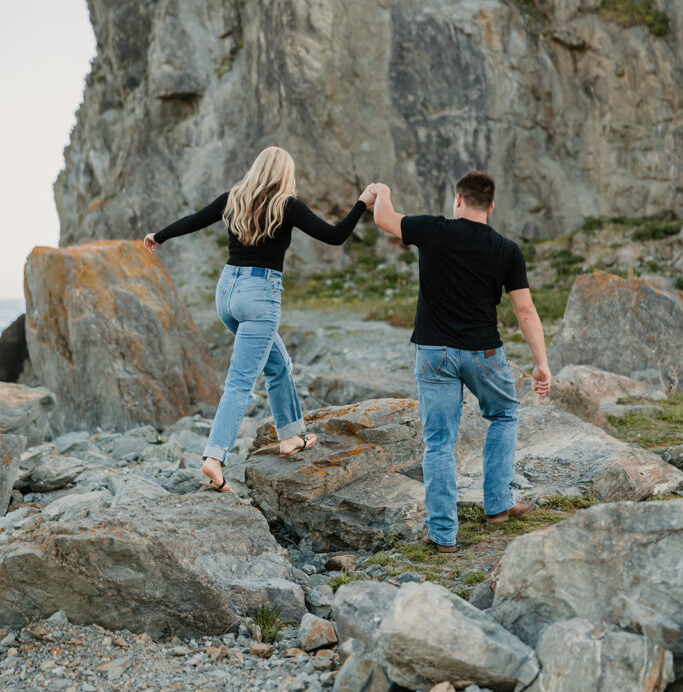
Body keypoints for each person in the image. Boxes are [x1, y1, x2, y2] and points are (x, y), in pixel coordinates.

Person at [144, 146, 376, 493]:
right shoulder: (287, 205)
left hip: (227, 293)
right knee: (240, 382)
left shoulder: (233, 198)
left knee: (278, 363)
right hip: (259, 296)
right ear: (285, 174)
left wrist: (158, 236)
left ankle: (290, 437)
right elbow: (335, 235)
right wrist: (361, 203)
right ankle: (214, 457)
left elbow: (194, 219)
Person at [371, 170, 552, 552]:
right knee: (503, 415)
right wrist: (541, 363)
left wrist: (382, 190)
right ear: (490, 206)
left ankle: (442, 534)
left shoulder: (433, 230)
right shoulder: (507, 249)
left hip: (434, 352)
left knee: (439, 442)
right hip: (484, 353)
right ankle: (498, 504)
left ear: (457, 200)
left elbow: (384, 219)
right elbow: (526, 311)